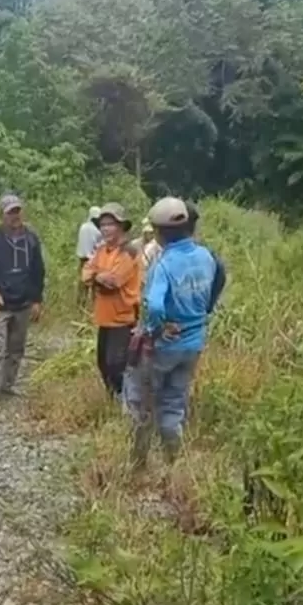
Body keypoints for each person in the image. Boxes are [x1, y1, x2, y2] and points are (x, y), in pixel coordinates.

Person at [123, 197, 223, 473]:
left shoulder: (164, 264)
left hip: (163, 346)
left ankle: (138, 463)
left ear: (159, 231)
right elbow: (219, 278)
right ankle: (173, 463)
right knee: (174, 404)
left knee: (141, 399)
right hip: (193, 342)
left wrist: (158, 327)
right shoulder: (206, 256)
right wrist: (206, 310)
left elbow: (154, 304)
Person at [0, 194, 45, 406]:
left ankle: (8, 385)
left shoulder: (31, 239)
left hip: (23, 302)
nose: (15, 216)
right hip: (0, 304)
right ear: (1, 216)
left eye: (17, 211)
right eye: (10, 212)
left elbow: (38, 271)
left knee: (16, 348)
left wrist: (37, 300)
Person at [81, 203, 141, 398]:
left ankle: (128, 402)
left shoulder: (129, 251)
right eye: (103, 224)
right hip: (104, 317)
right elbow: (85, 273)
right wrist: (98, 276)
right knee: (103, 363)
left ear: (121, 226)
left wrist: (95, 276)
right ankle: (114, 401)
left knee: (117, 365)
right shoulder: (101, 250)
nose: (105, 228)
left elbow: (114, 281)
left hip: (123, 318)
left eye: (110, 224)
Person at [76, 206, 102, 304]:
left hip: (82, 260)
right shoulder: (96, 231)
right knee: (95, 287)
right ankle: (94, 307)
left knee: (82, 285)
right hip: (93, 261)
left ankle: (80, 306)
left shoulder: (83, 227)